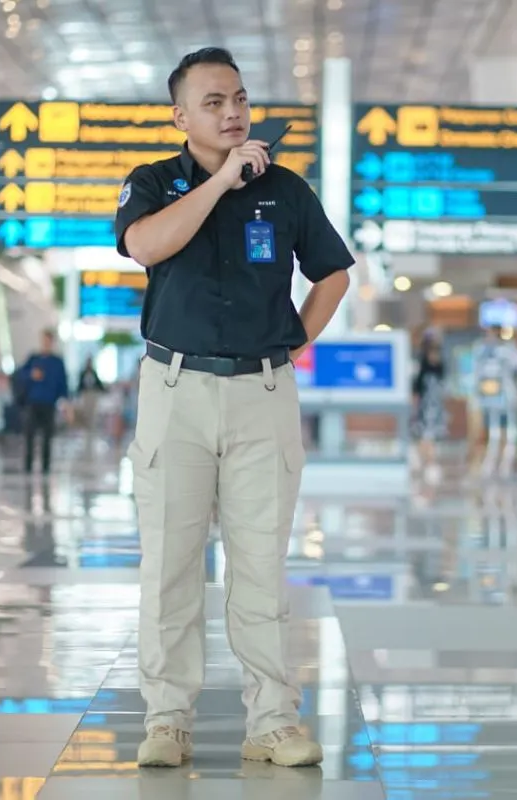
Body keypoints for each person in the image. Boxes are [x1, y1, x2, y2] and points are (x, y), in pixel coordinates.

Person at [115, 47, 352, 769]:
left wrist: (292, 340)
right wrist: (220, 182)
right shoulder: (152, 182)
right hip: (175, 389)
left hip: (262, 393)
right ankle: (167, 720)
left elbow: (334, 275)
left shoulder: (285, 189)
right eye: (214, 102)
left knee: (260, 565)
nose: (232, 112)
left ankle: (272, 722)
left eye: (240, 98)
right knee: (170, 563)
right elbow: (145, 245)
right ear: (181, 116)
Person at [15, 330, 68, 475]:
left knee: (47, 436)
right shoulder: (34, 359)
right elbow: (21, 375)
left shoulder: (57, 362)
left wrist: (65, 403)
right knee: (29, 435)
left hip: (49, 404)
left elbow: (63, 384)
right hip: (33, 403)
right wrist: (31, 375)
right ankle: (28, 464)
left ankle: (46, 466)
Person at [472, 326, 517, 478]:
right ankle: (491, 462)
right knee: (493, 431)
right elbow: (478, 375)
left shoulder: (506, 352)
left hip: (506, 397)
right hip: (491, 399)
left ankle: (507, 462)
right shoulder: (482, 352)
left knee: (510, 430)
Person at [411, 334, 447, 484]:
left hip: (435, 408)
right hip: (424, 408)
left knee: (430, 437)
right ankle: (425, 462)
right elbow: (416, 390)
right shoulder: (422, 369)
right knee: (424, 436)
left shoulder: (440, 368)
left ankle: (429, 463)